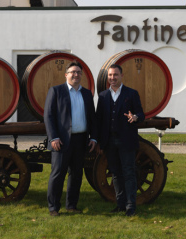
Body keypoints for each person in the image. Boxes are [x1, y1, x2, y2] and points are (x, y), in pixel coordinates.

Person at [44, 60, 97, 217]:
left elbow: (92, 118)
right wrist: (53, 137)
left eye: (79, 72)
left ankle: (71, 205)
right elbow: (48, 116)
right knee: (58, 174)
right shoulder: (56, 91)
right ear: (66, 74)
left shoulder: (86, 93)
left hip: (81, 140)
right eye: (73, 72)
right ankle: (53, 207)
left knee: (76, 174)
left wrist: (93, 138)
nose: (76, 75)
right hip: (61, 140)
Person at [96, 64, 144, 217]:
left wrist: (135, 117)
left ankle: (131, 206)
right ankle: (120, 204)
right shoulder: (103, 96)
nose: (112, 78)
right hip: (109, 141)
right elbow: (99, 119)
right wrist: (97, 141)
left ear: (122, 76)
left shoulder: (132, 93)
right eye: (110, 75)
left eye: (115, 75)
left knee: (129, 172)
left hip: (126, 140)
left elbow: (141, 114)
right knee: (116, 174)